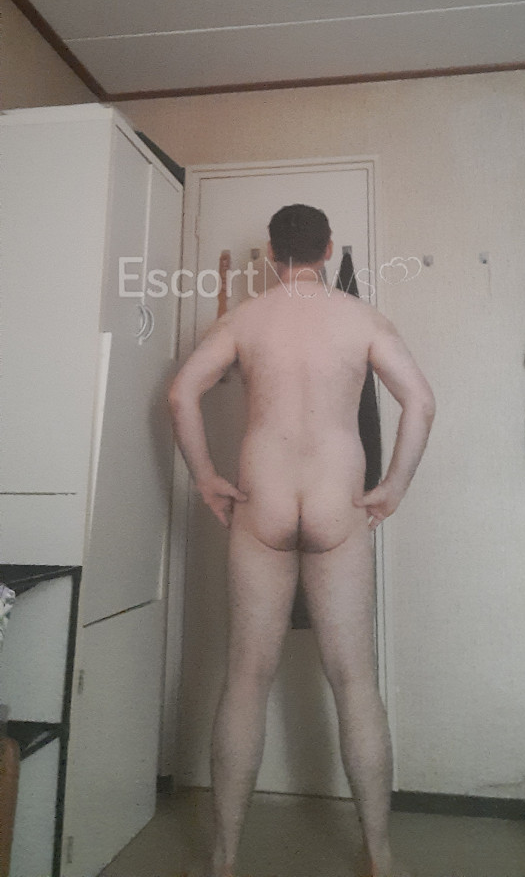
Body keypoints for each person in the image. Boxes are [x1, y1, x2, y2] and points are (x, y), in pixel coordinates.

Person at [168, 204, 436, 877]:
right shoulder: (362, 318)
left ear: (269, 253)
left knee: (245, 679)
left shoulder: (244, 320)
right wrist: (394, 486)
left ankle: (224, 861)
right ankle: (380, 857)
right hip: (336, 503)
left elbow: (181, 395)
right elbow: (421, 402)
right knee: (355, 682)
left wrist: (205, 476)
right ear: (328, 249)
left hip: (261, 500)